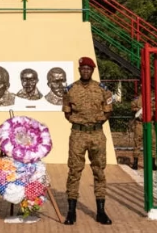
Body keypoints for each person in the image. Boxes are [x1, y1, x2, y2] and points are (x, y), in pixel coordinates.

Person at [61, 56, 113, 225]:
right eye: (83, 68)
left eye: (88, 69)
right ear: (79, 70)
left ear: (92, 71)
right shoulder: (70, 90)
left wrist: (95, 123)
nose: (85, 71)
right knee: (74, 172)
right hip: (78, 135)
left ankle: (101, 212)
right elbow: (67, 112)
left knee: (99, 171)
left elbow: (107, 112)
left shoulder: (102, 90)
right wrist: (80, 124)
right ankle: (71, 211)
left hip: (97, 135)